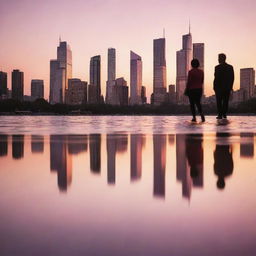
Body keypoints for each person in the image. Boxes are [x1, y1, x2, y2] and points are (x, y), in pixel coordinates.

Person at [213, 53, 234, 119]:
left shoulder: (217, 67)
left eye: (219, 58)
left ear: (221, 59)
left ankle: (220, 115)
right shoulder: (230, 67)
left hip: (219, 87)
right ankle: (224, 114)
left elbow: (216, 77)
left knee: (219, 101)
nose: (218, 60)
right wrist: (230, 87)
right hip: (227, 87)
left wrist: (214, 86)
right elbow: (232, 77)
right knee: (225, 101)